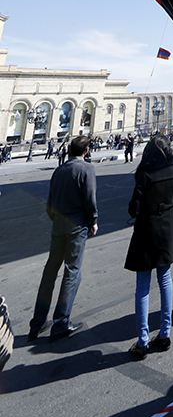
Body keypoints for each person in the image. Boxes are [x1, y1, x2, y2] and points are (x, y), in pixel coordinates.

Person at [28, 136, 98, 342]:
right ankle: (60, 323)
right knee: (72, 271)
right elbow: (90, 198)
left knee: (50, 270)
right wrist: (93, 220)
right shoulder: (87, 169)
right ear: (85, 151)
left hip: (58, 223)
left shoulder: (59, 170)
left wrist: (56, 219)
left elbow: (50, 201)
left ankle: (37, 323)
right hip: (77, 224)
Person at [124, 135, 173, 359]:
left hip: (147, 228)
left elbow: (133, 208)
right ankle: (165, 334)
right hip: (167, 226)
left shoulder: (144, 173)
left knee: (142, 286)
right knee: (165, 279)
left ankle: (142, 341)